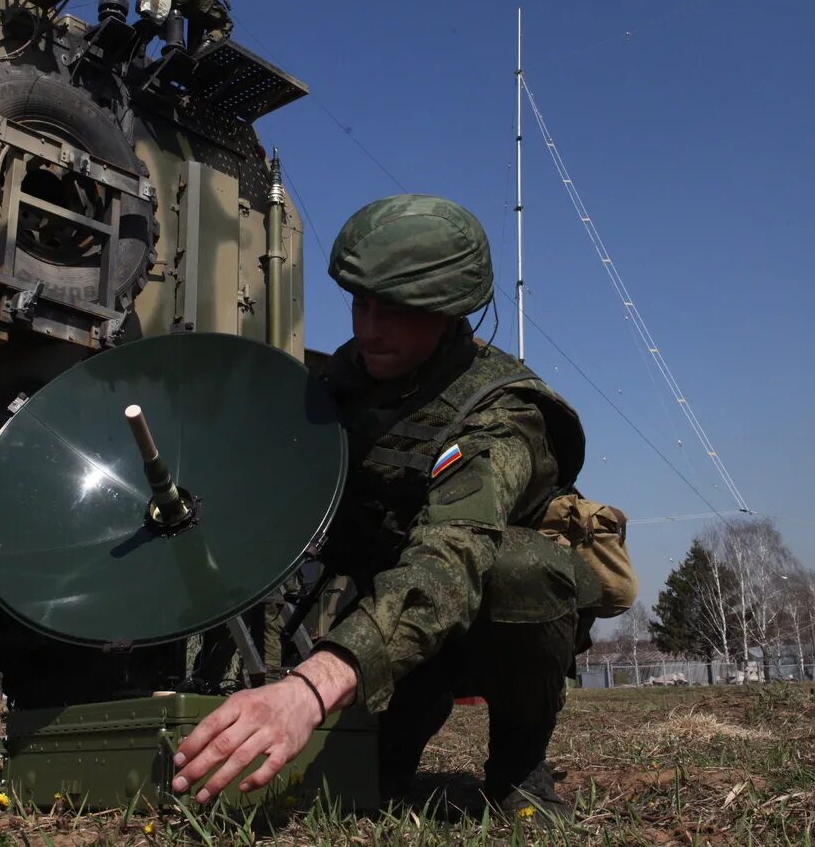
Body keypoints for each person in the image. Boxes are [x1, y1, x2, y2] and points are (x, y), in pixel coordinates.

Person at [169, 195, 593, 821]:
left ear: (451, 314)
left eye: (395, 311)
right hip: (381, 632)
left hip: (484, 625)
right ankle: (408, 713)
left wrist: (311, 688)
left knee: (523, 569)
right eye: (360, 304)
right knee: (361, 791)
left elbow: (452, 562)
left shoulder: (500, 413)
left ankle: (517, 768)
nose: (368, 328)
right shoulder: (336, 392)